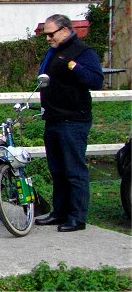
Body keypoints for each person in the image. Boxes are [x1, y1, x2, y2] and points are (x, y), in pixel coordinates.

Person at [33, 14, 103, 232]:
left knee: (74, 170)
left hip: (73, 119)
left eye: (50, 34)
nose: (47, 39)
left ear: (64, 30)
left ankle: (77, 217)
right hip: (53, 118)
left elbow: (96, 81)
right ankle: (59, 212)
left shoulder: (83, 52)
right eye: (45, 35)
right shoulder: (52, 53)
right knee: (57, 169)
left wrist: (74, 66)